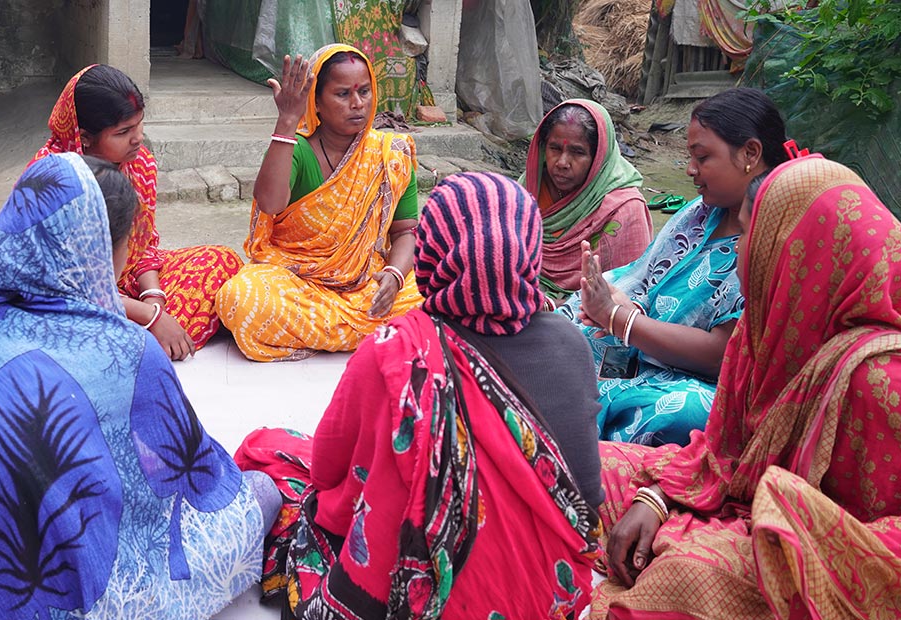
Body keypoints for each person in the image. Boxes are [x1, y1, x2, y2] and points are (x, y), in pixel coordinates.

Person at [0, 153, 279, 618]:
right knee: (260, 492)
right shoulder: (125, 353)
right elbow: (193, 481)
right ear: (96, 251)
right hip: (58, 602)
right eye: (128, 243)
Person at [594, 154, 901, 618]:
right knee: (591, 467)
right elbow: (721, 454)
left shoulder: (888, 377)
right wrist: (658, 497)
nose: (737, 249)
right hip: (737, 507)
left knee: (685, 576)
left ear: (793, 249)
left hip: (806, 558)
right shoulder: (764, 335)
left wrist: (800, 531)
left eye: (749, 233)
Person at [235, 173, 604, 619]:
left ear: (431, 257)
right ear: (530, 250)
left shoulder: (394, 351)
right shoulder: (572, 342)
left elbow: (331, 468)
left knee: (270, 452)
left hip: (418, 597)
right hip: (548, 589)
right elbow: (585, 493)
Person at [559, 87, 788, 446]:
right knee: (560, 342)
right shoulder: (698, 214)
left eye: (703, 157)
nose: (690, 170)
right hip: (642, 347)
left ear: (751, 153)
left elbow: (721, 356)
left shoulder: (772, 237)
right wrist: (618, 302)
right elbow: (645, 275)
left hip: (701, 381)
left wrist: (621, 319)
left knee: (686, 411)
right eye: (690, 156)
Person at [216, 44, 424, 362]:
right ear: (317, 101)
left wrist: (394, 276)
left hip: (366, 284)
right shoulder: (297, 148)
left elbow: (406, 231)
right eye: (343, 94)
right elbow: (270, 203)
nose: (358, 104)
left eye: (365, 92)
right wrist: (287, 120)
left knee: (432, 290)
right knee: (240, 297)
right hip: (298, 283)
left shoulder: (391, 153)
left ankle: (340, 331)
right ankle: (369, 332)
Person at [32, 64, 242, 361]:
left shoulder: (139, 163)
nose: (138, 138)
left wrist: (154, 298)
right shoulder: (49, 178)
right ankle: (141, 344)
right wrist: (150, 316)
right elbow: (55, 285)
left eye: (140, 125)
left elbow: (144, 245)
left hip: (126, 284)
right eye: (124, 131)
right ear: (85, 137)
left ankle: (136, 343)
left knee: (221, 262)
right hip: (69, 296)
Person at [524, 99, 651, 301]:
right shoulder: (528, 190)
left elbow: (632, 290)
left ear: (598, 157)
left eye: (578, 152)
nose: (562, 162)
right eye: (555, 148)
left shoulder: (624, 209)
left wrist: (552, 306)